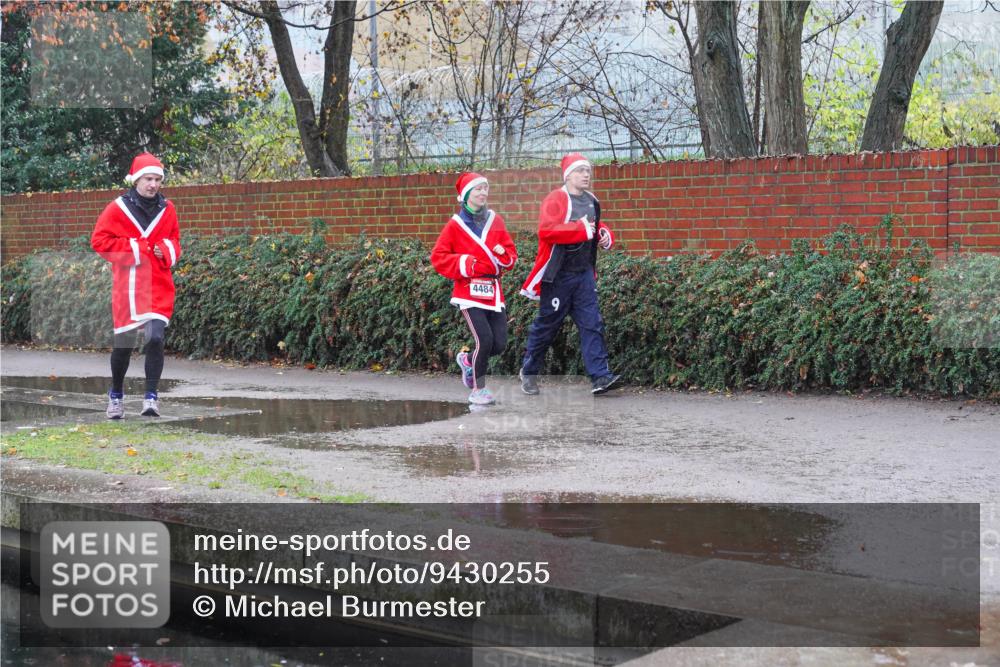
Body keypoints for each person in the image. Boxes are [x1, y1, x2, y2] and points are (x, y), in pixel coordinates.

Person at [518, 153, 620, 395]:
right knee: (547, 326)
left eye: (588, 170)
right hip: (558, 276)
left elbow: (596, 226)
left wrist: (605, 236)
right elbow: (546, 231)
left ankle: (600, 377)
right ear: (568, 175)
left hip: (584, 274)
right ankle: (529, 372)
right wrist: (579, 229)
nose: (586, 174)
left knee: (592, 323)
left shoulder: (592, 200)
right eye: (581, 170)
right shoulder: (556, 199)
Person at [91, 153, 181, 419]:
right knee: (124, 345)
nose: (153, 184)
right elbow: (100, 241)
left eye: (157, 179)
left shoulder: (168, 209)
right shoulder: (117, 208)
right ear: (136, 180)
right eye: (148, 179)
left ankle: (151, 397)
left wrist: (166, 250)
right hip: (128, 287)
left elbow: (175, 240)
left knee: (155, 338)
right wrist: (137, 249)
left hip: (158, 284)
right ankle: (116, 393)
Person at [431, 172, 517, 405]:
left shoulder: (495, 221)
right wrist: (465, 263)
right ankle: (478, 389)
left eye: (485, 188)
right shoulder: (455, 225)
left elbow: (511, 254)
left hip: (493, 290)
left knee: (499, 344)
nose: (482, 193)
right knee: (485, 339)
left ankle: (468, 360)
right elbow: (438, 257)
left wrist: (504, 256)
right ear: (466, 194)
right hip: (468, 291)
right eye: (477, 189)